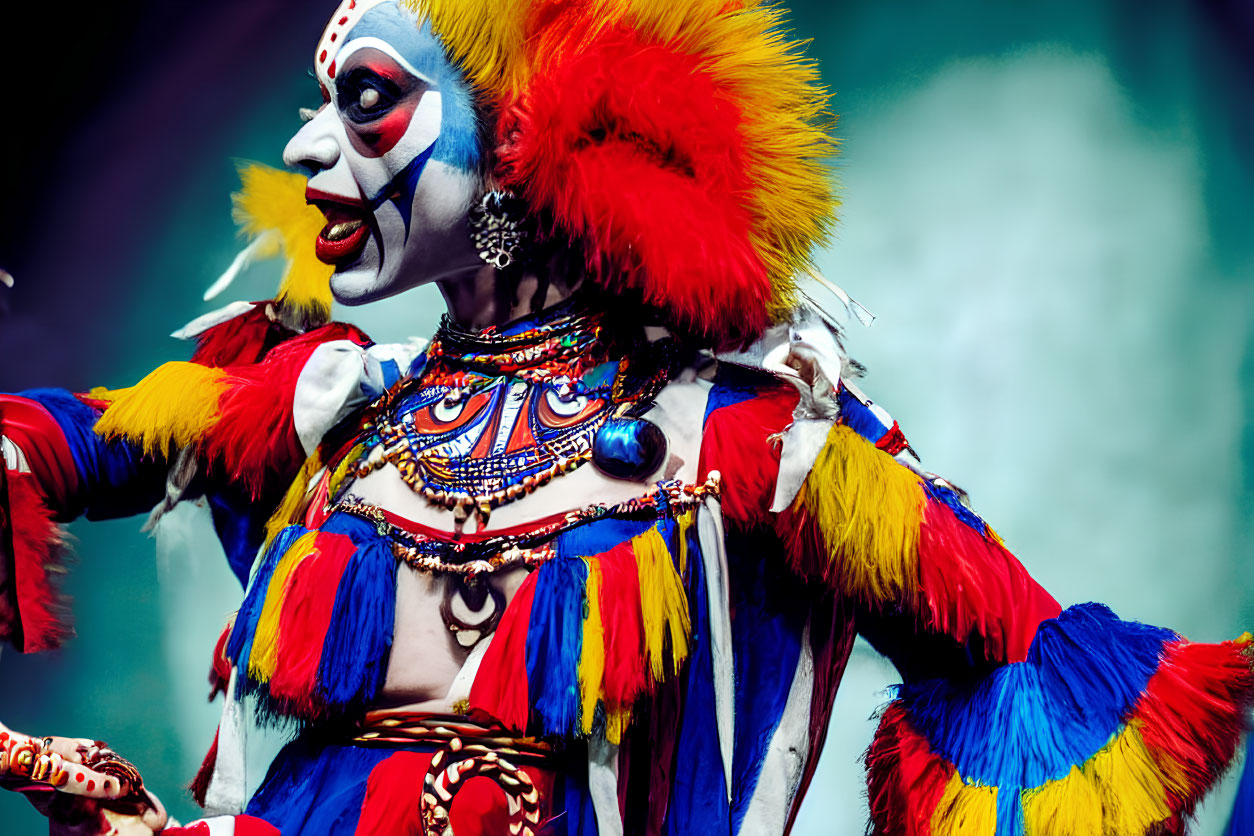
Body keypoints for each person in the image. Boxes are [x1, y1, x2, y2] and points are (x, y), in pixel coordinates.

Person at [2, 1, 1251, 834]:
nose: (308, 147)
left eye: (367, 100)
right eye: (318, 101)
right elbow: (61, 441)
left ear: (527, 133)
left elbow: (1033, 667)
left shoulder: (760, 443)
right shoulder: (329, 405)